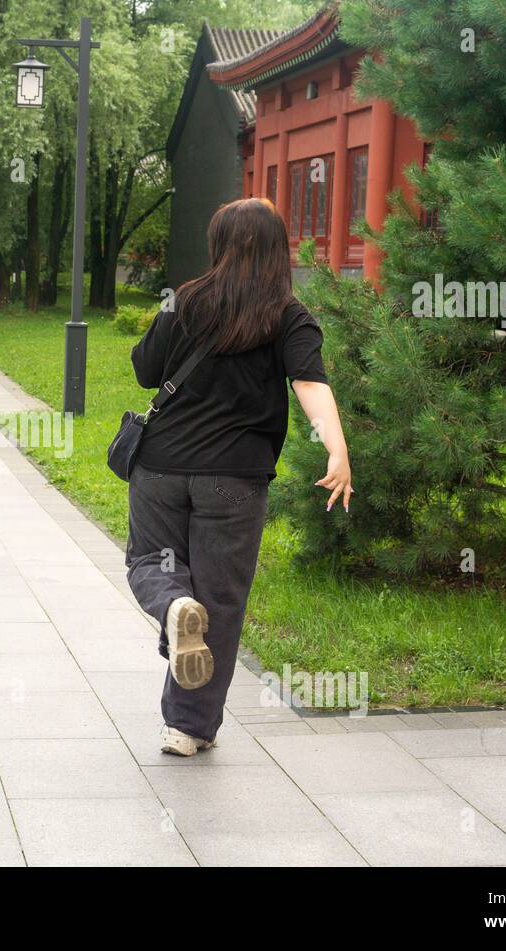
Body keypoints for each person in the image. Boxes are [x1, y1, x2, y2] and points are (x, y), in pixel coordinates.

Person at [124, 197, 354, 757]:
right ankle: (188, 728)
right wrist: (337, 451)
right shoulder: (288, 314)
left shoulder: (184, 299)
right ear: (279, 248)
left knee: (150, 564)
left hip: (160, 466)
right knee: (220, 602)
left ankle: (173, 605)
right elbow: (309, 383)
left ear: (219, 244)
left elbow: (145, 371)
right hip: (234, 478)